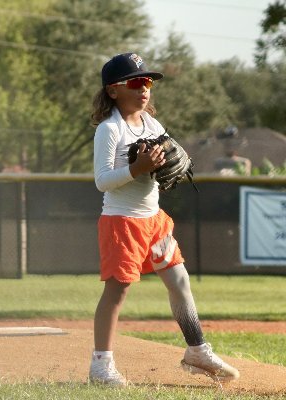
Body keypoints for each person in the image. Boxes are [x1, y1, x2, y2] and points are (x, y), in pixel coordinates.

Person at [89, 52, 240, 386]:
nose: (146, 88)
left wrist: (155, 167)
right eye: (137, 82)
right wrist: (136, 169)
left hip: (154, 219)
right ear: (114, 91)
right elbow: (102, 180)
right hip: (122, 222)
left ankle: (197, 350)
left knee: (180, 281)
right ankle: (101, 366)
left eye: (149, 82)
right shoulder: (109, 129)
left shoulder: (151, 124)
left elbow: (159, 167)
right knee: (117, 293)